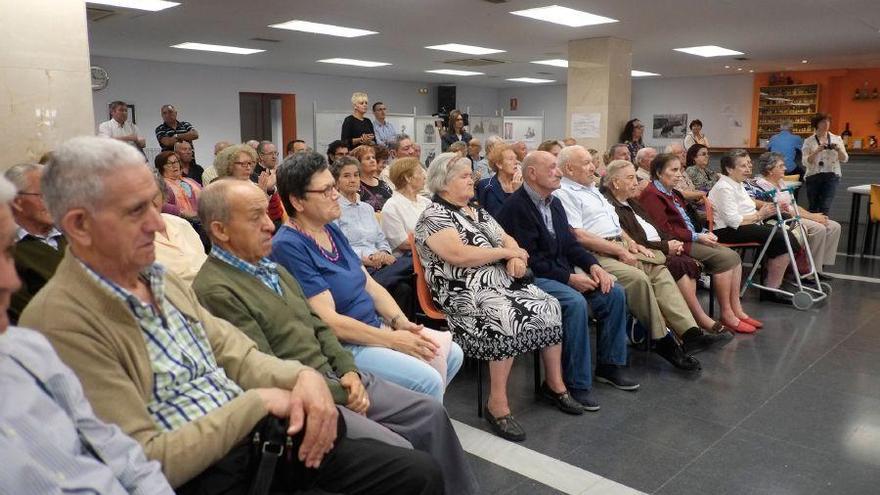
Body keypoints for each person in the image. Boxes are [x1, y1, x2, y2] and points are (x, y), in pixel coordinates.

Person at [20, 136, 442, 494]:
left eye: (155, 206)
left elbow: (238, 353)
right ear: (78, 225)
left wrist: (305, 378)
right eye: (136, 212)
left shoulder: (156, 280)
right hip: (214, 466)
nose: (160, 225)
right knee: (405, 468)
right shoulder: (62, 320)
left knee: (419, 472)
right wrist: (260, 402)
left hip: (256, 432)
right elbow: (145, 457)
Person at [193, 179, 478, 495]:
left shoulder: (270, 268)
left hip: (338, 376)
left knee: (430, 411)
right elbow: (262, 367)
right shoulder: (217, 290)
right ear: (220, 230)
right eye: (255, 217)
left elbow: (318, 326)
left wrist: (349, 372)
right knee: (400, 450)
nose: (268, 226)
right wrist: (342, 388)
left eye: (266, 214)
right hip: (306, 395)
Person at [0, 174, 176, 494]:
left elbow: (118, 451)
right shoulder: (52, 317)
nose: (10, 280)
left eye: (8, 252)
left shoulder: (26, 350)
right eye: (135, 212)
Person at [415, 152, 582, 443]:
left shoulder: (476, 210)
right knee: (506, 314)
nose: (472, 180)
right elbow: (460, 255)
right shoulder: (434, 216)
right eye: (464, 177)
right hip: (461, 292)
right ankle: (497, 403)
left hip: (499, 283)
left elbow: (507, 238)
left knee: (549, 304)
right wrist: (507, 254)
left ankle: (554, 385)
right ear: (443, 184)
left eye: (471, 175)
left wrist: (515, 258)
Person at [271, 151, 463, 402]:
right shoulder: (289, 245)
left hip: (372, 327)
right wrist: (393, 340)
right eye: (327, 190)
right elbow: (330, 322)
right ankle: (419, 426)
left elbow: (370, 285)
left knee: (452, 353)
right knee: (427, 380)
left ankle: (412, 416)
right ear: (297, 202)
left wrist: (400, 322)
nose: (336, 194)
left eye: (333, 187)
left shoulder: (328, 228)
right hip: (343, 346)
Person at [495, 151, 637, 411]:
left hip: (559, 272)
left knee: (614, 292)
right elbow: (530, 259)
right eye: (551, 168)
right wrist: (570, 278)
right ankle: (575, 383)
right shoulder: (517, 208)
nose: (558, 172)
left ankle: (610, 365)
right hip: (529, 277)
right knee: (574, 303)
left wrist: (593, 266)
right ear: (532, 174)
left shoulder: (554, 203)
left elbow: (571, 245)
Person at [554, 146, 708, 369]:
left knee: (659, 271)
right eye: (587, 163)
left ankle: (690, 333)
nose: (594, 167)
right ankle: (662, 340)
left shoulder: (591, 189)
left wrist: (631, 243)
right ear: (569, 167)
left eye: (592, 161)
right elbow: (578, 235)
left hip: (618, 244)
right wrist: (619, 250)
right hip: (595, 253)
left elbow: (614, 224)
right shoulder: (564, 193)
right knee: (638, 278)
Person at [640, 153, 761, 334]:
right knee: (727, 258)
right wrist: (697, 237)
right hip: (678, 242)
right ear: (658, 172)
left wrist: (703, 233)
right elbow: (664, 229)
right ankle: (727, 314)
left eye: (680, 169)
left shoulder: (672, 192)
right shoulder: (652, 194)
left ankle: (737, 310)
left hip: (690, 236)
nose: (679, 174)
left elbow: (688, 219)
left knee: (734, 258)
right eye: (674, 170)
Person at [708, 150, 801, 304]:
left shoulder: (737, 184)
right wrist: (760, 215)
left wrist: (768, 211)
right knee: (784, 237)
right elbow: (733, 221)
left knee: (785, 224)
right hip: (728, 231)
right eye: (743, 166)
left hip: (745, 224)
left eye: (749, 164)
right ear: (729, 169)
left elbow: (749, 208)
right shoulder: (724, 187)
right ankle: (771, 289)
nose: (748, 169)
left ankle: (771, 284)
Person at [333, 156, 414, 310]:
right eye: (346, 176)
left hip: (381, 265)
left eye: (356, 175)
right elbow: (338, 247)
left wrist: (383, 252)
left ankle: (406, 330)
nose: (353, 180)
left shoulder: (367, 208)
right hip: (358, 267)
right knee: (411, 267)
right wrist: (368, 258)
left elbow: (381, 240)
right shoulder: (334, 210)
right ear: (336, 182)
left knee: (406, 286)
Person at [753, 152, 841, 277]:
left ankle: (819, 267)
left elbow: (793, 205)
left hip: (794, 214)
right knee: (818, 228)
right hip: (783, 218)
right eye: (781, 166)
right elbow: (783, 210)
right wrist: (813, 217)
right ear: (769, 169)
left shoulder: (781, 183)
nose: (785, 168)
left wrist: (813, 215)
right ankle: (809, 271)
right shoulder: (762, 185)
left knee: (833, 226)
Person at [4, 163, 65, 323]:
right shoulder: (9, 251)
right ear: (17, 202)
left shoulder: (73, 234)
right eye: (45, 195)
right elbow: (33, 315)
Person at [151, 173, 207, 285]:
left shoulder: (180, 223)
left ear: (163, 197)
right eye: (140, 196)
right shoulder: (131, 239)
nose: (148, 200)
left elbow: (204, 261)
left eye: (153, 194)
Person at [215, 144, 285, 230]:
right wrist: (262, 194)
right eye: (243, 164)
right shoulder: (220, 187)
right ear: (228, 165)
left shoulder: (254, 182)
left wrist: (269, 189)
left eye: (250, 163)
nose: (248, 167)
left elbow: (276, 215)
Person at [381, 157, 432, 254]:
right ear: (408, 178)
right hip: (410, 261)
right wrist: (438, 242)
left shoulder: (426, 202)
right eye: (420, 173)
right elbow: (403, 243)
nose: (424, 177)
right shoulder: (392, 206)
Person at [801, 112, 848, 215]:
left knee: (825, 207)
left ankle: (824, 230)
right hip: (813, 176)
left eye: (828, 121)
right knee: (813, 207)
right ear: (816, 124)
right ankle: (814, 229)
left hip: (832, 176)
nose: (826, 124)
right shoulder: (808, 141)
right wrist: (817, 151)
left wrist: (838, 149)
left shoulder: (837, 139)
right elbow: (805, 162)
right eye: (823, 122)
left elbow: (844, 159)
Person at [476, 143, 522, 217]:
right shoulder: (486, 186)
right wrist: (517, 194)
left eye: (516, 158)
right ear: (499, 164)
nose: (516, 162)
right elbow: (496, 216)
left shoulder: (522, 185)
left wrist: (519, 191)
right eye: (511, 159)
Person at [155, 151, 201, 220]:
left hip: (199, 219)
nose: (174, 165)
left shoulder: (190, 181)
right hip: (177, 221)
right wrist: (182, 212)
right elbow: (160, 204)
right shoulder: (160, 184)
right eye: (169, 163)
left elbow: (205, 195)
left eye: (176, 162)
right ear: (161, 167)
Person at [352, 145, 394, 211]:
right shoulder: (356, 187)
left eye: (373, 157)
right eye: (368, 158)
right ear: (358, 164)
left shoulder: (384, 184)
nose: (372, 160)